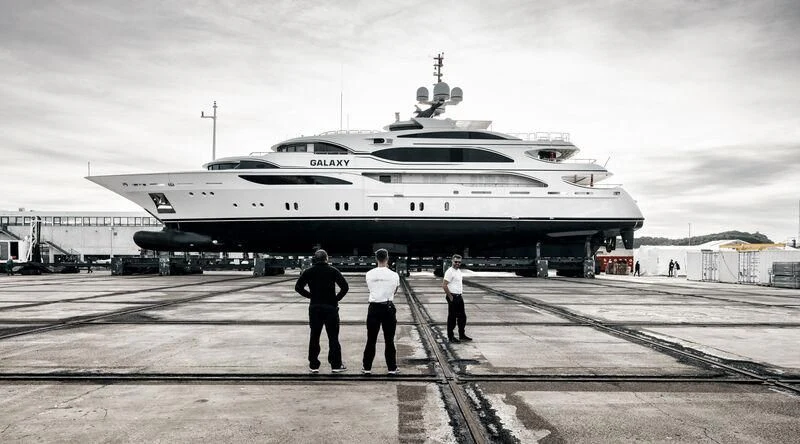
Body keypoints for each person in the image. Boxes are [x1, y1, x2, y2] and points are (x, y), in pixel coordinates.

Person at [295, 249, 349, 373]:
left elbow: (298, 287)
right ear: (327, 259)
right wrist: (336, 299)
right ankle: (336, 365)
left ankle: (313, 365)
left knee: (314, 336)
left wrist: (310, 296)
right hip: (331, 308)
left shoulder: (308, 272)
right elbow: (345, 287)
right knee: (333, 337)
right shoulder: (333, 271)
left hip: (315, 307)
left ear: (315, 259)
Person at [361, 249, 400, 375]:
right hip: (388, 307)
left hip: (373, 308)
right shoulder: (394, 275)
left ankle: (367, 367)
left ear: (376, 259)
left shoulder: (369, 274)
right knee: (389, 340)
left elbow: (371, 289)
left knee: (371, 339)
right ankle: (392, 368)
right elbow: (395, 290)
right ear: (387, 258)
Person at [442, 254, 471, 343]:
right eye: (455, 262)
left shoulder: (458, 271)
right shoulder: (449, 271)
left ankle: (462, 335)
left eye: (459, 262)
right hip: (453, 297)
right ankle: (451, 337)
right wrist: (450, 297)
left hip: (459, 296)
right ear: (452, 261)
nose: (457, 263)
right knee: (452, 318)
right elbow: (444, 285)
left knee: (462, 317)